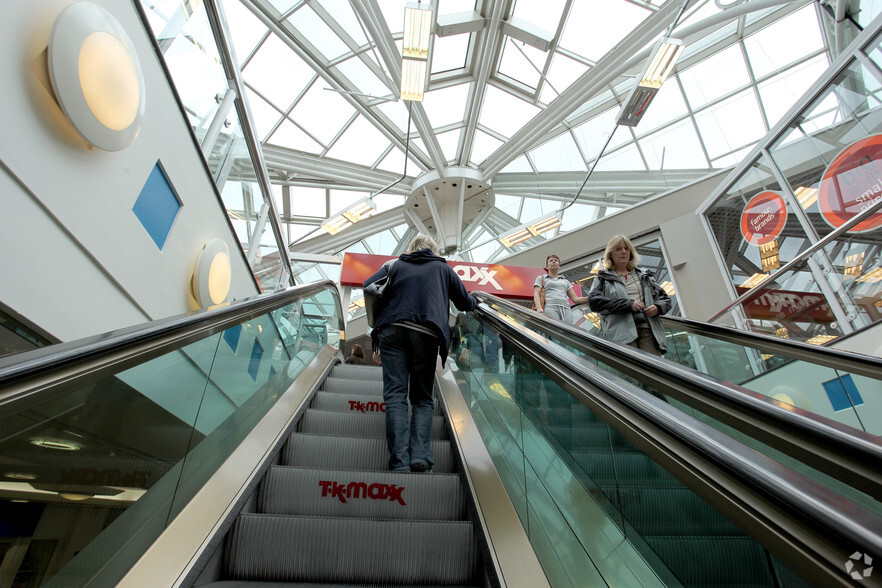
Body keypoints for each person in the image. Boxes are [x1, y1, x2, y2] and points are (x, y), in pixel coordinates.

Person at [364, 234, 478, 473]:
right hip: (427, 332)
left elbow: (368, 286)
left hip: (392, 329)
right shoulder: (442, 268)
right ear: (434, 249)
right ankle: (421, 457)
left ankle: (399, 462)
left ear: (411, 248)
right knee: (422, 398)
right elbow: (466, 303)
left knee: (395, 395)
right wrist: (478, 299)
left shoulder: (394, 265)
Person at [587, 235, 671, 355]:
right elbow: (594, 302)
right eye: (618, 249)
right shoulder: (603, 278)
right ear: (610, 254)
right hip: (621, 333)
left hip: (648, 329)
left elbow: (665, 299)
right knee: (631, 372)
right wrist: (628, 304)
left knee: (653, 370)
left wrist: (658, 307)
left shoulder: (644, 275)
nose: (624, 252)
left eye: (626, 249)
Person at [533, 254, 588, 324]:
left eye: (556, 261)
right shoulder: (541, 278)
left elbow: (575, 299)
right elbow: (536, 293)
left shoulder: (565, 281)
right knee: (555, 328)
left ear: (559, 265)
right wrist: (539, 307)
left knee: (569, 330)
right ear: (547, 266)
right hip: (550, 307)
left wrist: (590, 298)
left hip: (566, 308)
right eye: (551, 261)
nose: (553, 262)